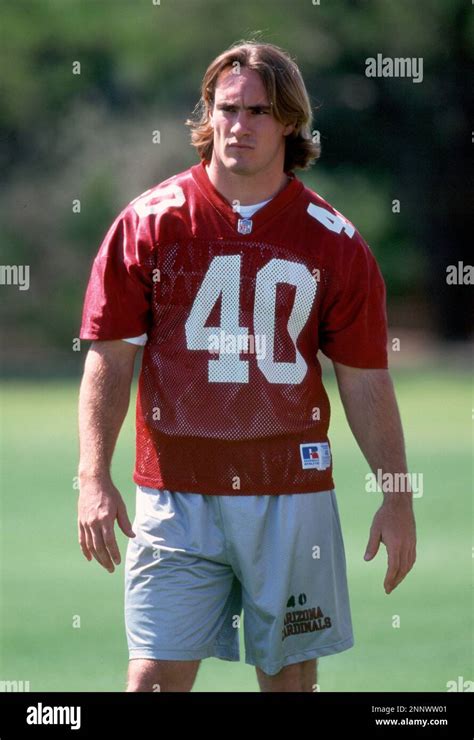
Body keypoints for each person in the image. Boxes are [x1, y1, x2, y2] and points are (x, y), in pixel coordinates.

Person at [77, 40, 417, 693]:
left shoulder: (334, 240)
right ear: (208, 113)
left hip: (290, 492)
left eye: (258, 110)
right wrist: (93, 476)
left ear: (289, 120)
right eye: (226, 108)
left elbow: (365, 379)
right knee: (149, 680)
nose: (238, 125)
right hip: (175, 491)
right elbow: (110, 361)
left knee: (289, 685)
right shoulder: (150, 222)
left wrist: (397, 495)